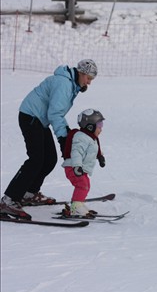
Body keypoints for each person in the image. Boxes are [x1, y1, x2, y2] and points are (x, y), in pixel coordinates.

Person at [0, 59, 98, 220]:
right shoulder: (64, 84)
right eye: (89, 78)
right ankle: (8, 200)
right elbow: (55, 113)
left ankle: (28, 193)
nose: (89, 82)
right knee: (36, 159)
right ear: (81, 73)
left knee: (49, 159)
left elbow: (55, 113)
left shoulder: (71, 84)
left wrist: (64, 135)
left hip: (40, 119)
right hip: (31, 117)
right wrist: (63, 137)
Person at [61, 109, 106, 218]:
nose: (101, 127)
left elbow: (93, 150)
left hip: (79, 168)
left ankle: (77, 205)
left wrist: (100, 157)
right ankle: (76, 207)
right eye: (99, 124)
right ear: (90, 126)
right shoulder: (81, 137)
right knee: (82, 185)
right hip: (74, 167)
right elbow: (76, 152)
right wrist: (77, 166)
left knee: (85, 185)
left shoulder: (91, 138)